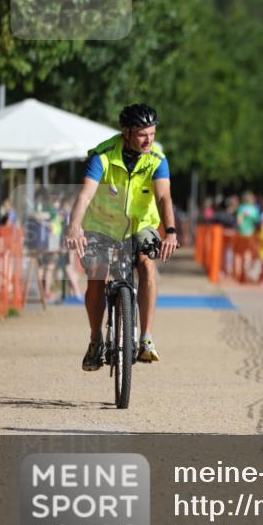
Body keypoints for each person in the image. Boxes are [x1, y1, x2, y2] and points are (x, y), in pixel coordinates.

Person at [65, 103, 179, 369]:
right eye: (142, 134)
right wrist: (74, 226)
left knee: (147, 266)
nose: (149, 139)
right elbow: (86, 195)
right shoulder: (102, 155)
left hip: (142, 225)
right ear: (126, 133)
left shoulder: (157, 159)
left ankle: (146, 339)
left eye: (152, 133)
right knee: (96, 275)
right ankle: (96, 340)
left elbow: (163, 197)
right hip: (102, 226)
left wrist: (170, 231)